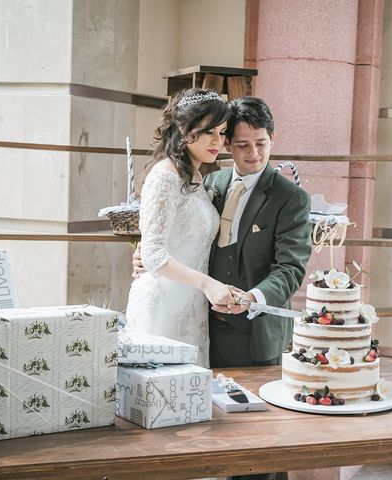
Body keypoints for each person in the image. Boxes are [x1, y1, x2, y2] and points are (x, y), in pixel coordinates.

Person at [133, 96, 312, 371]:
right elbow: (174, 233)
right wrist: (145, 252)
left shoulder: (292, 198)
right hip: (202, 321)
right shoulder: (210, 182)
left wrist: (253, 298)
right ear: (229, 144)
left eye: (261, 143)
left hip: (255, 333)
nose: (253, 152)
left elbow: (290, 269)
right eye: (242, 144)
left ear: (272, 139)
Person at [125, 88, 236, 368]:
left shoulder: (196, 175)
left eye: (222, 133)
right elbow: (153, 255)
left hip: (191, 304)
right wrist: (207, 283)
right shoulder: (165, 176)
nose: (217, 141)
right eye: (209, 131)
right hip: (161, 306)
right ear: (184, 129)